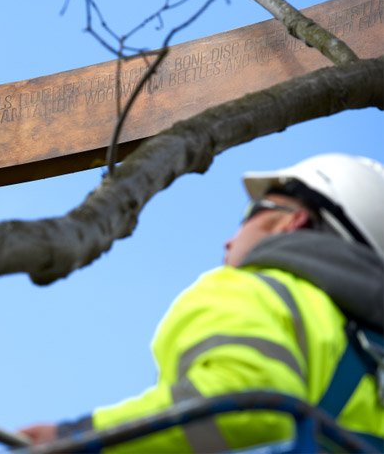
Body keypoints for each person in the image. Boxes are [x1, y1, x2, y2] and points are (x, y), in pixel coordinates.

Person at [19, 153, 384, 452]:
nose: (229, 240)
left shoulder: (254, 291)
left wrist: (78, 438)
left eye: (251, 212)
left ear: (292, 220)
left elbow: (246, 404)